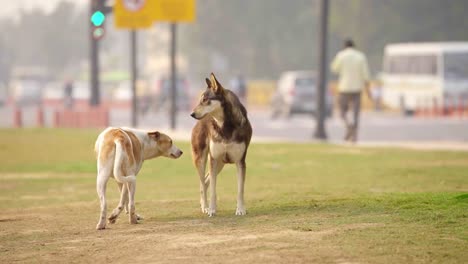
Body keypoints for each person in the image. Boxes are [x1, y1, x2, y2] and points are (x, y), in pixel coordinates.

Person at [331, 38, 371, 142]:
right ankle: (355, 135)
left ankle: (349, 126)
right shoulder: (361, 56)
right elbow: (365, 75)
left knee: (342, 111)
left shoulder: (341, 55)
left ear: (344, 46)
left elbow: (334, 68)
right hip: (357, 88)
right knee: (356, 113)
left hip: (344, 87)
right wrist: (368, 90)